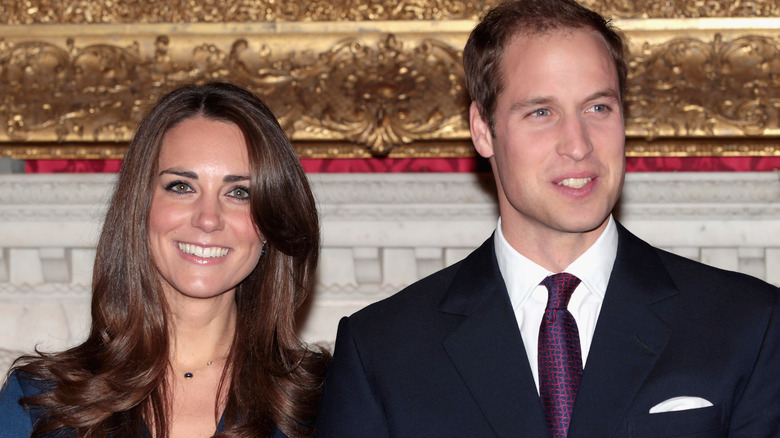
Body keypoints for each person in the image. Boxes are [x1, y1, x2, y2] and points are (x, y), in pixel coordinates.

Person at [314, 0, 780, 436]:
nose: (578, 144)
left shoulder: (748, 325)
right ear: (483, 130)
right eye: (541, 112)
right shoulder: (383, 350)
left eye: (598, 108)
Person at [0, 82, 330, 437]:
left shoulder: (325, 398)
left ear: (269, 223)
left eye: (239, 192)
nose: (208, 218)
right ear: (140, 208)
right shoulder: (40, 402)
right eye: (182, 187)